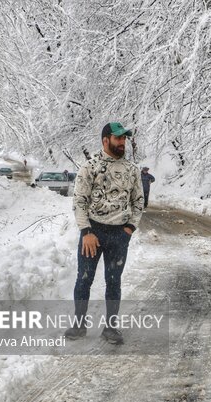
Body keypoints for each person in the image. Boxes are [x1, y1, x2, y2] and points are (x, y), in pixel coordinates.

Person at [64, 122, 144, 344]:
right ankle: (79, 325)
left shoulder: (132, 170)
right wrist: (86, 231)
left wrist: (129, 229)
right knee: (84, 279)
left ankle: (111, 328)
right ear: (105, 140)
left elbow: (138, 202)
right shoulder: (89, 167)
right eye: (118, 138)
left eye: (124, 139)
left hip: (119, 234)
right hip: (93, 233)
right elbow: (79, 201)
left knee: (114, 281)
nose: (122, 142)